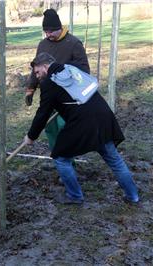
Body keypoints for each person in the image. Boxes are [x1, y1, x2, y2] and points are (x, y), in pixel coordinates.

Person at [23, 52, 139, 205]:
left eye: (37, 72)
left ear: (45, 66)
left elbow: (42, 114)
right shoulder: (71, 68)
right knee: (114, 160)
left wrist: (31, 136)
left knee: (60, 157)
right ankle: (133, 196)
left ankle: (75, 196)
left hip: (84, 122)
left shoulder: (49, 83)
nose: (37, 76)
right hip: (103, 114)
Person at [25, 8, 90, 150]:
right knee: (50, 129)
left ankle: (67, 159)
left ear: (59, 28)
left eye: (51, 32)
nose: (48, 35)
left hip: (67, 97)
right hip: (48, 96)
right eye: (45, 32)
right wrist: (30, 89)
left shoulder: (73, 43)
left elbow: (84, 70)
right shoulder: (43, 44)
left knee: (64, 128)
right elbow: (36, 68)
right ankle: (58, 156)